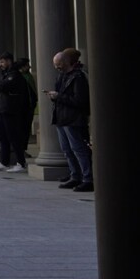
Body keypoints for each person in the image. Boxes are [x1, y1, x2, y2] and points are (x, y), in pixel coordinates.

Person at [49, 48, 93, 192]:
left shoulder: (78, 77)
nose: (57, 67)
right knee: (67, 150)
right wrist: (54, 96)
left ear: (67, 62)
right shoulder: (62, 76)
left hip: (73, 119)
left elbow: (80, 101)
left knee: (79, 149)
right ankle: (75, 176)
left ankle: (88, 178)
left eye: (59, 64)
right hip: (62, 118)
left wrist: (58, 97)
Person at [0, 51, 34, 173]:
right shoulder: (5, 74)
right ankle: (4, 162)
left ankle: (21, 162)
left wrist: (0, 86)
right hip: (1, 108)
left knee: (14, 137)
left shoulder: (15, 75)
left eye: (2, 61)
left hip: (11, 110)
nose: (0, 64)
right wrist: (0, 85)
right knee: (3, 137)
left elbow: (1, 87)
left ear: (9, 61)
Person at [15, 56, 38, 157]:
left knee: (26, 129)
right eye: (27, 65)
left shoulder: (29, 76)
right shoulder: (18, 77)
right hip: (21, 107)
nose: (29, 66)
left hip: (30, 106)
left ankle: (23, 149)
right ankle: (20, 150)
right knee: (20, 129)